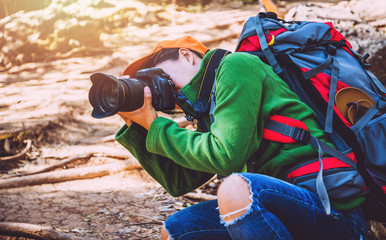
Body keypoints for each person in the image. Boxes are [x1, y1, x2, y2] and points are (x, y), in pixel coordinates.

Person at [114, 35, 367, 240]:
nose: (158, 85)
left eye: (158, 74)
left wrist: (155, 123)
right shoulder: (206, 107)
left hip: (332, 210)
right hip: (282, 211)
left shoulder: (235, 67)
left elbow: (225, 155)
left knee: (235, 188)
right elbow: (180, 180)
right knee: (177, 230)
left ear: (186, 55)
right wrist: (139, 125)